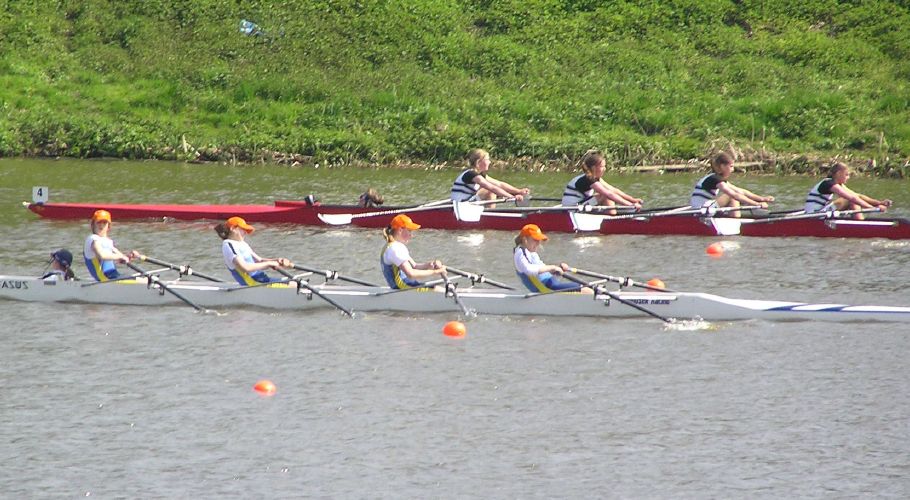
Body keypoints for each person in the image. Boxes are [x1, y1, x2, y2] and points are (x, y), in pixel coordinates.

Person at [689, 152, 774, 217]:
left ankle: (736, 218)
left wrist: (762, 199)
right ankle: (736, 221)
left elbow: (740, 191)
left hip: (705, 208)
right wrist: (756, 204)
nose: (733, 170)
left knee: (738, 196)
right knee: (731, 196)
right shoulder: (715, 179)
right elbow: (733, 195)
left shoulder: (717, 178)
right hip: (700, 211)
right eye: (731, 166)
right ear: (722, 166)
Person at [514, 224, 590, 293]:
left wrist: (557, 268)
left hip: (550, 285)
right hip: (546, 289)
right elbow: (529, 270)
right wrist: (552, 268)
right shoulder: (521, 252)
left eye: (539, 240)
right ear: (525, 240)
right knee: (586, 290)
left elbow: (541, 268)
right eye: (535, 240)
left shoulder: (530, 252)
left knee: (588, 288)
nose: (538, 243)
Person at [218, 216, 293, 285]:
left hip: (262, 280)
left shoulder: (242, 244)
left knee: (295, 281)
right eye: (243, 229)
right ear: (233, 229)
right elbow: (245, 267)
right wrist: (269, 264)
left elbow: (260, 260)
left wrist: (278, 261)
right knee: (294, 285)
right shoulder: (228, 245)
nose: (245, 232)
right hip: (253, 284)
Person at [805, 162, 892, 219]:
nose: (848, 177)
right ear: (839, 173)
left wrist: (879, 203)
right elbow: (851, 198)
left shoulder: (838, 184)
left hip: (821, 212)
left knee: (854, 198)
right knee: (849, 200)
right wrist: (873, 209)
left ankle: (859, 223)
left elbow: (857, 196)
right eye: (846, 175)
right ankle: (860, 225)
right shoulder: (828, 183)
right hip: (814, 215)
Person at [380, 214, 447, 289]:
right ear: (400, 230)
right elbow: (411, 274)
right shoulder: (396, 248)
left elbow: (415, 266)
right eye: (409, 231)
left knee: (443, 289)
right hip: (404, 288)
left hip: (404, 287)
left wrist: (431, 265)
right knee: (440, 290)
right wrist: (436, 272)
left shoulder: (390, 246)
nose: (411, 235)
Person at [561, 151, 643, 213]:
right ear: (594, 168)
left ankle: (612, 216)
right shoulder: (589, 178)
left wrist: (633, 200)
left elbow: (614, 190)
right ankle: (612, 220)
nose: (604, 169)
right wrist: (630, 205)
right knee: (606, 196)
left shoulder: (595, 178)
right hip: (571, 209)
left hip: (580, 205)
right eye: (602, 166)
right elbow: (608, 194)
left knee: (607, 194)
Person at [450, 148, 529, 204]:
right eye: (487, 160)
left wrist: (518, 191)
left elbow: (500, 184)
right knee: (490, 192)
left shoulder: (480, 174)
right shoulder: (471, 174)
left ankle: (489, 213)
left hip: (466, 202)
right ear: (479, 162)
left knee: (498, 192)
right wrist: (512, 197)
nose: (490, 162)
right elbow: (491, 188)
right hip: (460, 204)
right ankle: (490, 216)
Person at [84, 210, 143, 281]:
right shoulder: (93, 239)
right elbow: (102, 256)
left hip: (114, 276)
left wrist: (130, 256)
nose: (101, 225)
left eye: (104, 222)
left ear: (108, 226)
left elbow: (120, 258)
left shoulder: (108, 242)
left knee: (145, 279)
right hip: (104, 279)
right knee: (144, 281)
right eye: (99, 222)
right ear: (93, 225)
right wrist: (120, 256)